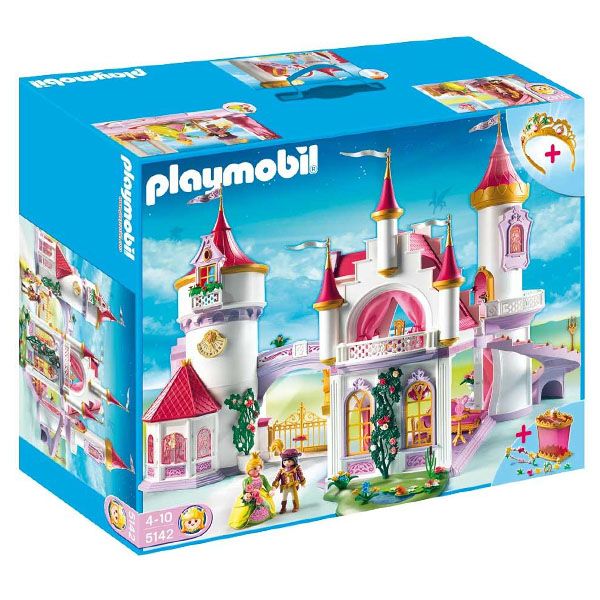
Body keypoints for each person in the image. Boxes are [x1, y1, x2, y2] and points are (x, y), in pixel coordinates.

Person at [228, 452, 276, 530]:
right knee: (247, 508)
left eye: (259, 468)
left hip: (261, 493)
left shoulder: (262, 477)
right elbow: (245, 490)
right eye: (254, 469)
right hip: (251, 495)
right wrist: (247, 495)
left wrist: (270, 490)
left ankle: (264, 515)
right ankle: (247, 519)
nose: (257, 470)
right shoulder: (247, 480)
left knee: (265, 503)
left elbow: (267, 485)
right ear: (249, 469)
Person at [272, 448, 306, 513]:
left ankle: (295, 506)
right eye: (284, 461)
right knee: (284, 497)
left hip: (293, 486)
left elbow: (300, 475)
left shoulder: (296, 469)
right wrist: (274, 486)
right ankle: (283, 507)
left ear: (294, 460)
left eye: (289, 461)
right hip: (285, 486)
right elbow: (277, 478)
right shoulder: (282, 470)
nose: (286, 463)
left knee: (294, 497)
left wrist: (302, 482)